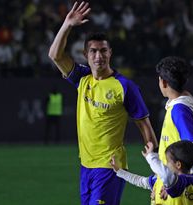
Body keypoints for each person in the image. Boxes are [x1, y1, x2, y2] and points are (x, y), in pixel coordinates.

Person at [48, 2, 158, 204]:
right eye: (93, 51)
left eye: (103, 51)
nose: (99, 56)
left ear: (110, 53)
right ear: (85, 55)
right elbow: (54, 55)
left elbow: (144, 125)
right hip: (86, 166)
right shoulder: (82, 78)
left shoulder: (125, 86)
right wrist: (67, 24)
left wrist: (157, 166)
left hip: (110, 167)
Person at [154, 56, 193, 205]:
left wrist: (180, 181)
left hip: (178, 195)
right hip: (170, 186)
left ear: (163, 82)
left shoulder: (179, 110)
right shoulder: (176, 106)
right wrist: (159, 181)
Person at [110, 140, 193, 205]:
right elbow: (140, 181)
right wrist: (119, 171)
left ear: (178, 164)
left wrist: (151, 157)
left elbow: (166, 175)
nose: (166, 164)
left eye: (168, 161)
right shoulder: (162, 181)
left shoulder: (187, 181)